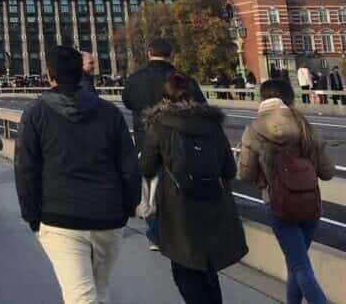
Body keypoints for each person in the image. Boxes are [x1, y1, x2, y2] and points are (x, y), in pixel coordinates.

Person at [15, 46, 139, 304]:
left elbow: (26, 169)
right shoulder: (109, 112)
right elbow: (128, 166)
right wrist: (127, 208)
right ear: (81, 72)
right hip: (108, 215)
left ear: (50, 76)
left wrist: (31, 216)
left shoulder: (35, 113)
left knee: (80, 296)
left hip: (60, 217)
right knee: (99, 290)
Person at [139, 71, 246, 304]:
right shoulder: (212, 124)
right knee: (208, 268)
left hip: (178, 207)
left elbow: (146, 167)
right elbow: (229, 168)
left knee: (184, 268)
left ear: (165, 98)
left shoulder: (160, 126)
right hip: (213, 202)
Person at [237, 78, 336, 304]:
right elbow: (328, 171)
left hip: (278, 203)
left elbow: (245, 175)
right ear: (289, 98)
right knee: (297, 263)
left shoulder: (254, 130)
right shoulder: (304, 125)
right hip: (310, 202)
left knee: (299, 265)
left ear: (263, 99)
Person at [122, 37, 206, 248]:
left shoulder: (135, 79)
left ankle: (155, 232)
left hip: (146, 139)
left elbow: (128, 101)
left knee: (149, 190)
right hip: (179, 140)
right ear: (171, 55)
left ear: (149, 54)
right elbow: (200, 108)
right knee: (176, 185)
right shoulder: (183, 79)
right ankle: (176, 231)